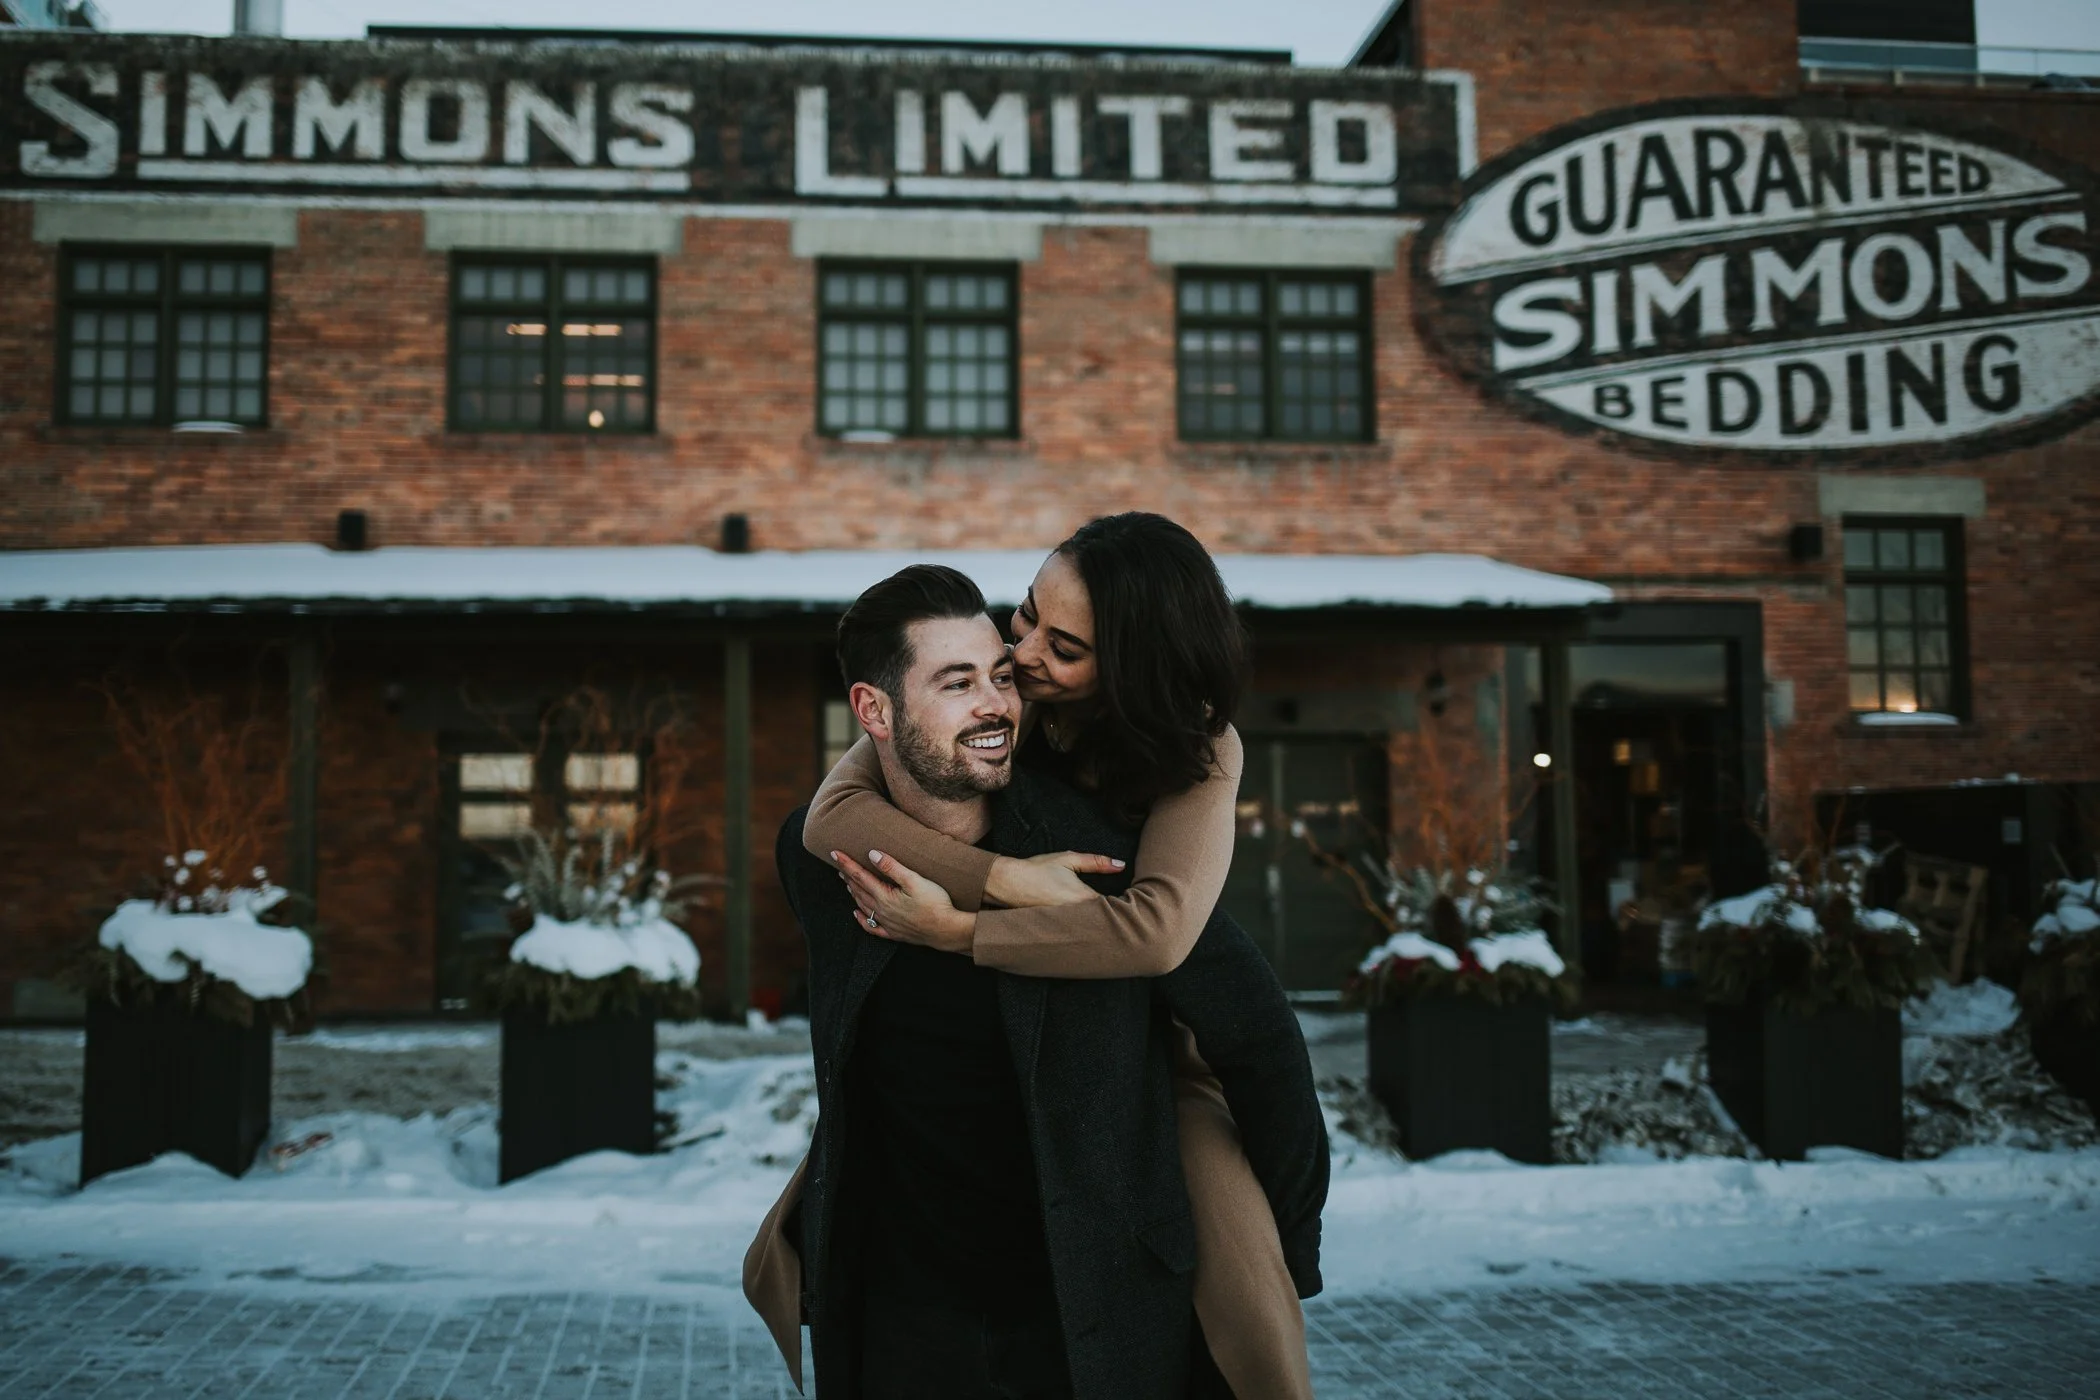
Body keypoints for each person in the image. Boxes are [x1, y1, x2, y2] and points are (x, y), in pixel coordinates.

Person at [744, 565, 1325, 1399]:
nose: (999, 698)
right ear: (873, 711)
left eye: (1003, 677)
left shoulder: (1099, 860)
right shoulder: (823, 864)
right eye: (958, 681)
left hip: (1087, 1317)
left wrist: (1286, 1244)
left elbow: (1261, 1041)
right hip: (895, 1315)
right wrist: (999, 881)